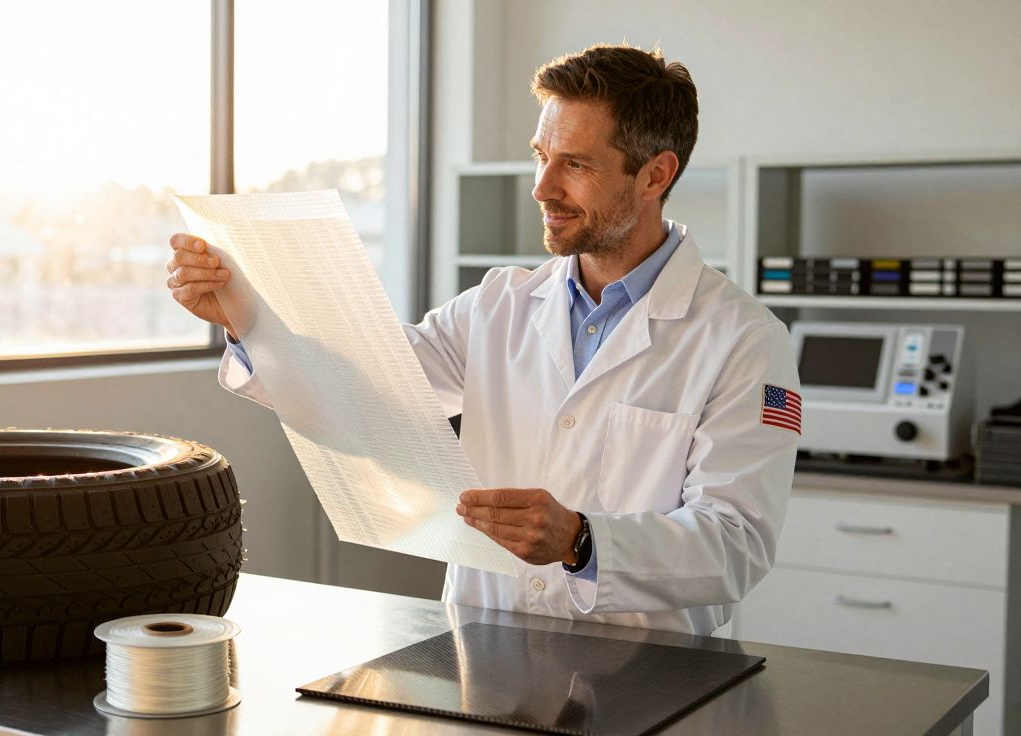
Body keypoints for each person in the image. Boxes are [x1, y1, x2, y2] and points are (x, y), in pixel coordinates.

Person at [164, 44, 800, 635]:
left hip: (648, 673)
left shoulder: (743, 340)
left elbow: (736, 543)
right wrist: (245, 317)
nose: (543, 188)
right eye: (541, 156)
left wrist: (583, 541)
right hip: (485, 650)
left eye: (574, 164)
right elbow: (367, 390)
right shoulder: (499, 305)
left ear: (655, 174)